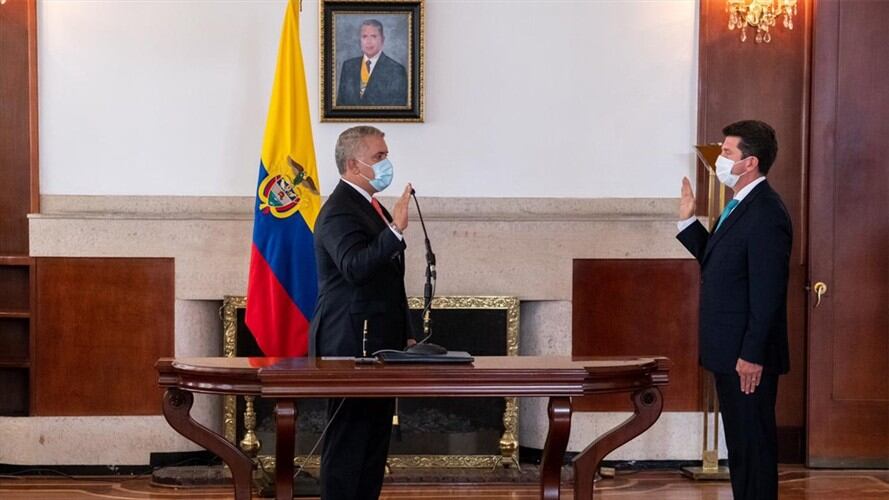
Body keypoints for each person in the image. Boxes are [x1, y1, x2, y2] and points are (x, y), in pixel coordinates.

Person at [677, 120, 792, 500]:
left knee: (754, 447)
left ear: (750, 162)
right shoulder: (741, 204)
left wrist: (752, 354)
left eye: (727, 154)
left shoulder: (766, 212)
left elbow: (767, 291)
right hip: (730, 352)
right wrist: (688, 221)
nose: (719, 162)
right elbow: (722, 264)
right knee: (741, 445)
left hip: (747, 357)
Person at [309, 125, 415, 500]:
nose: (387, 164)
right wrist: (395, 231)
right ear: (354, 164)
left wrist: (406, 331)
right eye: (379, 158)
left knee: (373, 444)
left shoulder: (369, 205)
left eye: (386, 156)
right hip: (350, 342)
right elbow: (354, 267)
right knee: (349, 444)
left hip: (379, 343)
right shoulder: (339, 210)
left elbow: (387, 281)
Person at [336, 19, 408, 106]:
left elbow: (398, 110)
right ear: (360, 40)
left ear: (382, 40)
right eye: (364, 36)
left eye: (373, 36)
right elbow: (340, 104)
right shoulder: (348, 66)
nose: (368, 41)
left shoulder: (397, 70)